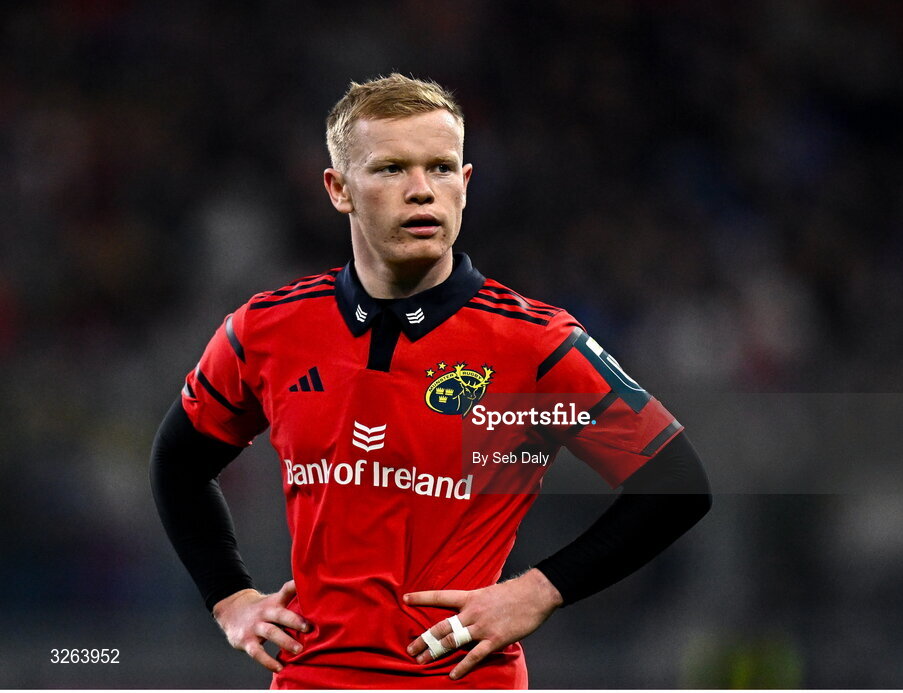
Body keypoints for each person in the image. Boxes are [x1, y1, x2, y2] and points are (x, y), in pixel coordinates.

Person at [151, 73, 711, 689]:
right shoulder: (267, 329)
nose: (422, 191)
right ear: (339, 189)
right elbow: (179, 464)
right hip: (310, 679)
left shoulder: (533, 343)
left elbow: (675, 484)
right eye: (391, 169)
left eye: (441, 168)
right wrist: (229, 598)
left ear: (465, 185)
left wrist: (538, 591)